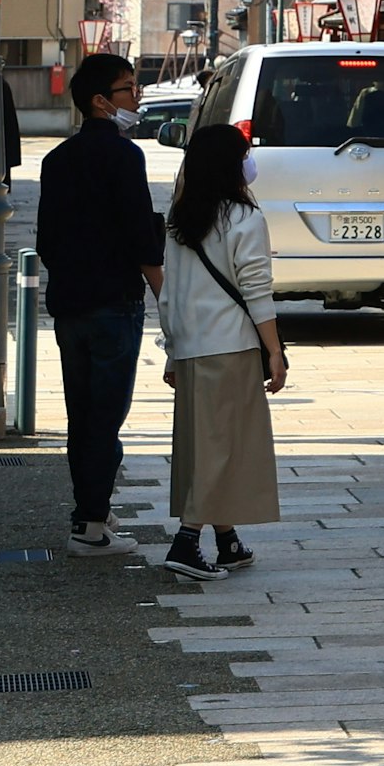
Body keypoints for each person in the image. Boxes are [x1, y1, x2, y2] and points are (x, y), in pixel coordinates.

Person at [37, 54, 166, 554]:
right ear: (100, 101)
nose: (136, 99)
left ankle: (93, 512)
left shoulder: (56, 160)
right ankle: (90, 524)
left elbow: (47, 240)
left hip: (70, 304)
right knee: (105, 417)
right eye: (128, 90)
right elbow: (141, 237)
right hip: (115, 303)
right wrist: (165, 299)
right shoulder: (123, 155)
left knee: (82, 414)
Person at [158, 122, 286, 583]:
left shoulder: (180, 223)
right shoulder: (246, 220)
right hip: (230, 347)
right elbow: (257, 291)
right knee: (222, 446)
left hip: (192, 349)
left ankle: (226, 539)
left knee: (205, 444)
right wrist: (275, 351)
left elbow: (168, 295)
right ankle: (188, 540)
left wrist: (173, 351)